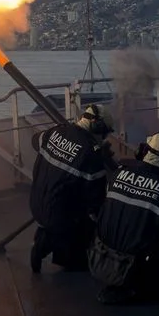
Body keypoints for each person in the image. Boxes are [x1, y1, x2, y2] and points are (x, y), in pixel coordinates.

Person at [88, 133, 159, 305]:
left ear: (143, 151)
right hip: (131, 270)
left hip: (97, 257)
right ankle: (132, 286)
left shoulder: (117, 174)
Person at [29, 103, 114, 273]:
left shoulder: (55, 131)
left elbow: (35, 141)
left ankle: (43, 242)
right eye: (103, 133)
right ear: (97, 127)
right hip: (60, 217)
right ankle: (68, 257)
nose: (104, 138)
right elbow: (95, 201)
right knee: (90, 222)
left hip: (35, 204)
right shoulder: (91, 154)